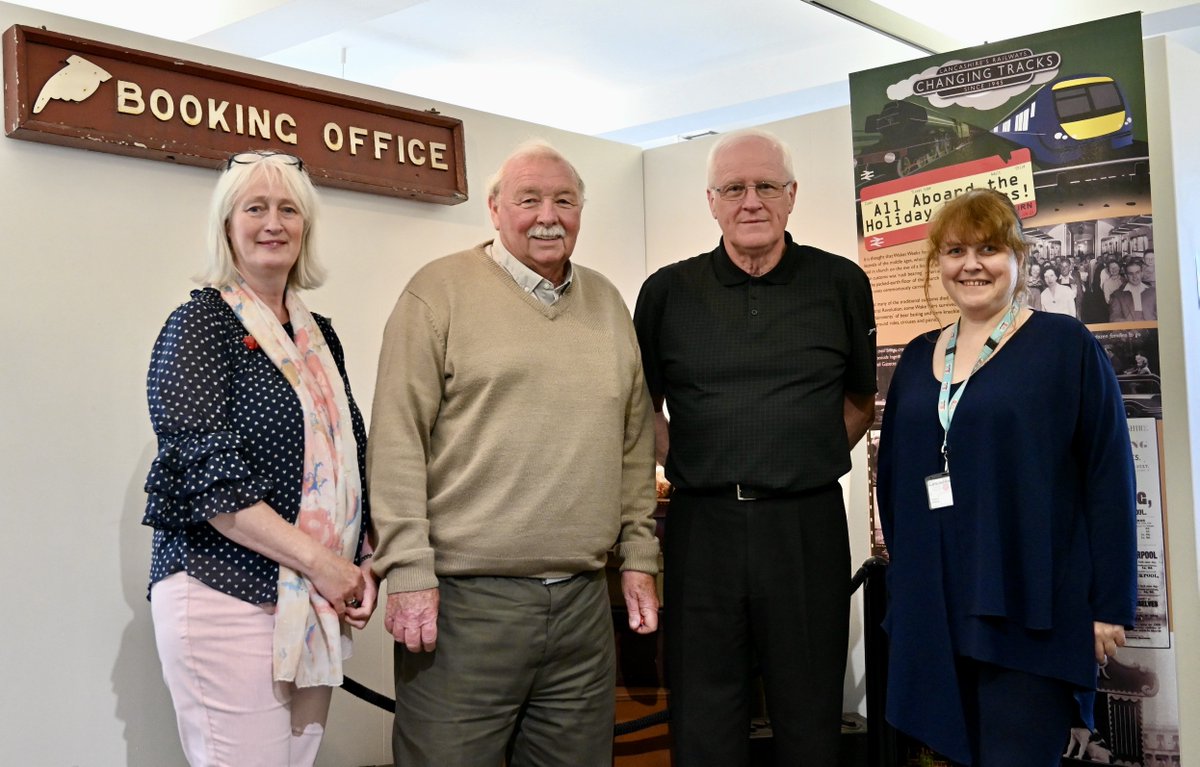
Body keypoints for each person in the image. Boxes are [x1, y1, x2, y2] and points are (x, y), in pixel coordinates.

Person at [368, 140, 661, 767]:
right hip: (466, 607)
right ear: (496, 209)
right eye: (529, 200)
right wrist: (408, 571)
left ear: (581, 211)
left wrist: (639, 553)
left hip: (584, 605)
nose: (547, 215)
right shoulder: (437, 293)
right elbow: (397, 441)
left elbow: (634, 445)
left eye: (564, 200)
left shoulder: (607, 303)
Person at [634, 129, 877, 767]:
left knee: (809, 712)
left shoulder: (841, 283)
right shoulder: (666, 293)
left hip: (806, 524)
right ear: (711, 201)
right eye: (734, 188)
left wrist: (802, 459)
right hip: (701, 526)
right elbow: (640, 409)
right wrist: (688, 462)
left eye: (766, 186)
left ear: (792, 195)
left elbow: (860, 402)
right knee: (703, 710)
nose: (751, 201)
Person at [875, 188, 1136, 766]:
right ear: (936, 263)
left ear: (1018, 257)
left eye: (988, 248)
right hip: (935, 606)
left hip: (1028, 608)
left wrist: (1108, 604)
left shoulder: (1065, 345)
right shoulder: (920, 358)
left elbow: (1107, 475)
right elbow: (893, 481)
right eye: (955, 251)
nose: (971, 264)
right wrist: (908, 586)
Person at [143, 150, 376, 766]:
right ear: (227, 225)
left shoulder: (319, 334)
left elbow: (354, 460)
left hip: (308, 601)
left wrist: (364, 560)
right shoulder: (199, 325)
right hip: (223, 594)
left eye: (288, 210)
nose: (273, 223)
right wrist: (326, 564)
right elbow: (209, 482)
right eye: (255, 208)